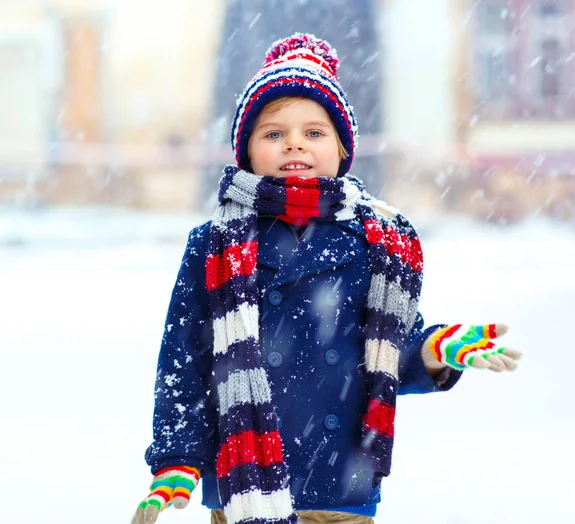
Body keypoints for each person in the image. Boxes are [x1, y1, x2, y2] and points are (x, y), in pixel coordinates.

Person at [132, 33, 522, 524]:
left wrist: (436, 349)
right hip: (241, 487)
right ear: (246, 151)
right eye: (273, 133)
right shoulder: (215, 245)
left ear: (342, 148)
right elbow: (183, 364)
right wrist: (175, 460)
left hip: (340, 485)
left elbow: (385, 357)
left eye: (314, 132)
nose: (294, 142)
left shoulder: (376, 243)